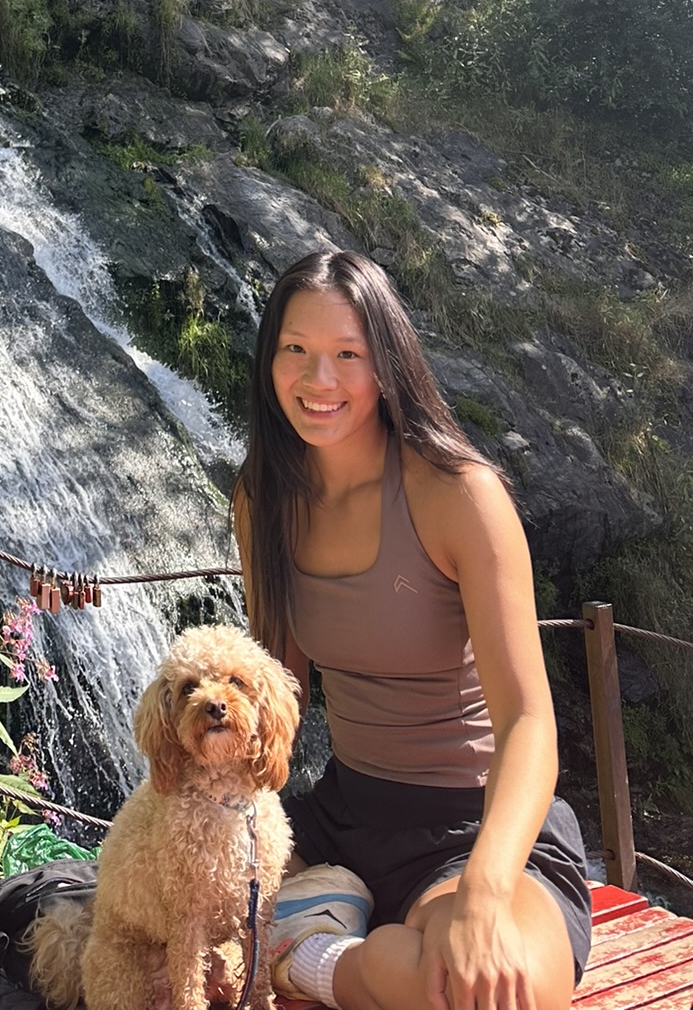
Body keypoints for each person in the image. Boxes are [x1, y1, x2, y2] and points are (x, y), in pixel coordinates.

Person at [231, 249, 591, 1010]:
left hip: (474, 834)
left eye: (346, 355)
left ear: (386, 363)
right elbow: (274, 699)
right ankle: (332, 939)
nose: (316, 380)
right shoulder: (263, 497)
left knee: (495, 989)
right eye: (295, 350)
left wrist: (488, 893)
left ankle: (310, 951)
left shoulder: (457, 493)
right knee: (152, 915)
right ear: (270, 359)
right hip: (342, 818)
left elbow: (529, 720)